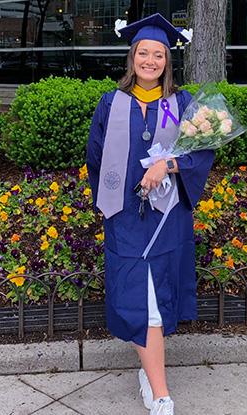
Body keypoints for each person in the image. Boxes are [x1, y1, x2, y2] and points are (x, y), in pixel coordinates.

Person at [86, 13, 215, 415]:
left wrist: (169, 167)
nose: (150, 61)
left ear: (166, 61)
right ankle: (157, 385)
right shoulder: (112, 102)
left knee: (154, 298)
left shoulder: (182, 103)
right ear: (133, 57)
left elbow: (203, 150)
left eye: (158, 55)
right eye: (143, 53)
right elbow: (95, 156)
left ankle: (155, 383)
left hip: (165, 215)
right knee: (137, 298)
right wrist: (109, 201)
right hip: (124, 216)